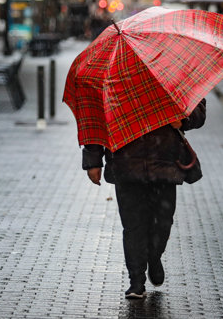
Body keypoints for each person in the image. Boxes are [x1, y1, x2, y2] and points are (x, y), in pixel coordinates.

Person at [82, 98, 206, 299]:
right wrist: (92, 160)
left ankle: (154, 256)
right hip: (125, 163)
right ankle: (136, 280)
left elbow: (198, 109)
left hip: (164, 164)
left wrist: (184, 121)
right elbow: (96, 119)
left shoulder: (169, 73)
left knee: (163, 223)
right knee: (133, 226)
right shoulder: (113, 80)